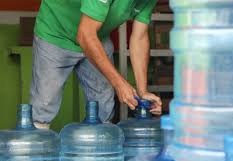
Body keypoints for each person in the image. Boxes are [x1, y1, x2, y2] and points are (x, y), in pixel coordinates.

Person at [30, 0, 162, 129]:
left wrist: (142, 91)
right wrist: (119, 83)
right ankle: (37, 145)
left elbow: (139, 38)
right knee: (44, 103)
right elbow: (85, 35)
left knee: (103, 107)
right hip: (56, 33)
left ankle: (100, 144)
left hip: (98, 37)